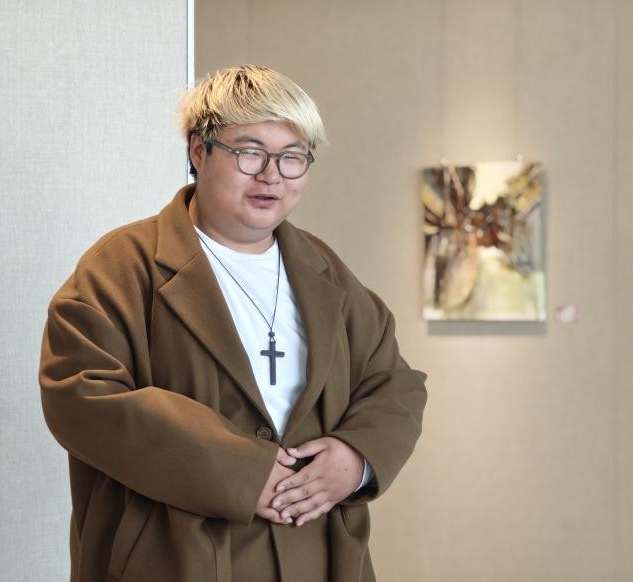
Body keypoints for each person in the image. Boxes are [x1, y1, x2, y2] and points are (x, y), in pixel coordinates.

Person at [39, 65, 427, 582]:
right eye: (250, 152)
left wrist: (357, 458)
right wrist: (240, 471)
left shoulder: (325, 270)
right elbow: (80, 394)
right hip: (172, 560)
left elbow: (395, 384)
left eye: (292, 157)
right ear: (199, 151)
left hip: (318, 556)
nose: (272, 176)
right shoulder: (123, 264)